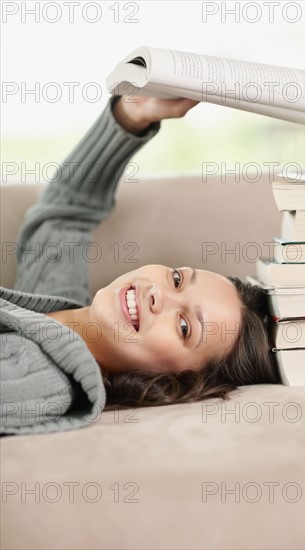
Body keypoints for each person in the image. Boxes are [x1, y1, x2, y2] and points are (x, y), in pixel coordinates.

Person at [0, 95, 281, 436]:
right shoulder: (61, 311)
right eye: (177, 279)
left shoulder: (39, 379)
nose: (157, 296)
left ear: (173, 380)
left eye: (183, 327)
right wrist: (131, 117)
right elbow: (65, 216)